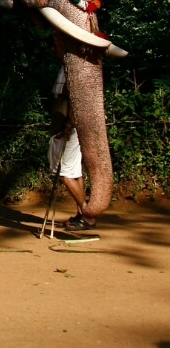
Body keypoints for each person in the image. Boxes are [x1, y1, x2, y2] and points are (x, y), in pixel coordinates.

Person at [48, 66, 96, 231]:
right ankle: (81, 215)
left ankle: (87, 216)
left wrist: (69, 123)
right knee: (75, 172)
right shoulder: (73, 65)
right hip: (74, 124)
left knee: (65, 173)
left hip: (69, 126)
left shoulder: (73, 66)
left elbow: (75, 96)